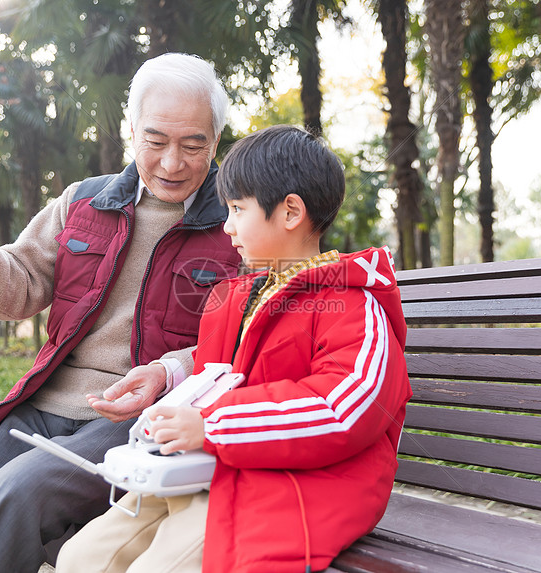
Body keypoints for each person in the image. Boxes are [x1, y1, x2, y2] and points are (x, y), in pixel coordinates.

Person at [0, 52, 242, 573]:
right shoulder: (84, 201)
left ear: (216, 140)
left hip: (139, 417)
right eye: (156, 142)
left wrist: (174, 371)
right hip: (46, 402)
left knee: (9, 503)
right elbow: (16, 291)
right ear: (131, 131)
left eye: (194, 145)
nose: (173, 163)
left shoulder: (242, 221)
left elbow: (247, 334)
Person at [55, 125, 412, 573]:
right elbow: (217, 374)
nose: (226, 227)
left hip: (298, 484)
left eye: (238, 210)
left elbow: (343, 408)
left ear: (290, 213)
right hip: (216, 466)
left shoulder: (352, 303)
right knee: (79, 559)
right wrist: (173, 394)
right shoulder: (234, 298)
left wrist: (211, 426)